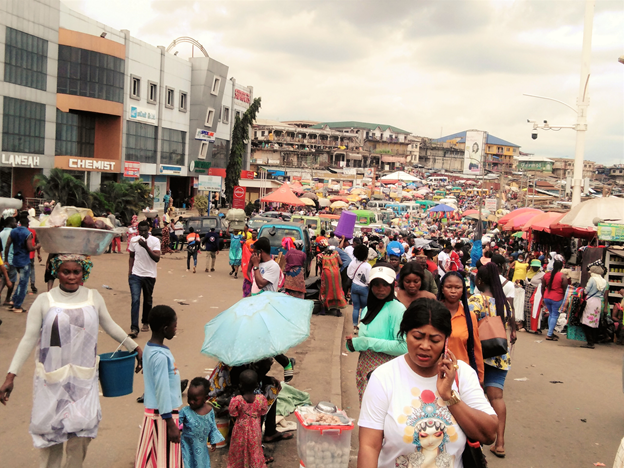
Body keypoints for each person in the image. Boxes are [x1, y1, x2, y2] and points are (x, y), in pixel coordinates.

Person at [0, 254, 142, 468]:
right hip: (51, 381)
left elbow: (110, 325)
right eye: (66, 272)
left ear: (84, 272)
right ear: (57, 272)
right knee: (50, 438)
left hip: (83, 382)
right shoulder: (44, 301)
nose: (72, 277)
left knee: (81, 438)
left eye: (76, 272)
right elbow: (28, 339)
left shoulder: (93, 297)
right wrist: (11, 376)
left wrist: (135, 348)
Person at [358, 298, 497, 467]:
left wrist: (449, 396)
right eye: (417, 336)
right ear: (405, 334)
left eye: (435, 340)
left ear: (446, 340)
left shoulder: (463, 374)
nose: (425, 345)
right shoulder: (383, 377)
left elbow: (489, 433)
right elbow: (369, 447)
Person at [469, 262, 517, 459]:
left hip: (480, 354)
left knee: (475, 396)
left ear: (479, 280)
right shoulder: (504, 302)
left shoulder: (476, 300)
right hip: (499, 355)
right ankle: (500, 443)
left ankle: (476, 437)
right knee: (497, 397)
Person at [345, 263, 407, 403]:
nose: (380, 289)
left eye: (385, 284)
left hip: (387, 375)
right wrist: (354, 343)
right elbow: (365, 339)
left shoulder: (397, 309)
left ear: (393, 285)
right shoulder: (368, 309)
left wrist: (367, 343)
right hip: (366, 373)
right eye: (376, 284)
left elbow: (404, 347)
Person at [136, 305, 182, 468]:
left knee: (152, 459)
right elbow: (162, 390)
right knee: (165, 460)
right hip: (163, 416)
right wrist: (170, 424)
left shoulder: (150, 348)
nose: (176, 329)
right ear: (165, 329)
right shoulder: (160, 357)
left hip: (155, 413)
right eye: (174, 325)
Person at [438, 271, 484, 384]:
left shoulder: (469, 317)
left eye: (457, 287)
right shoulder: (433, 313)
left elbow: (476, 348)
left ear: (463, 290)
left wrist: (480, 378)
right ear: (442, 289)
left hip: (461, 374)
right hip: (435, 372)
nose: (453, 291)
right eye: (449, 287)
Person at [227, 369, 269, 468]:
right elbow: (263, 411)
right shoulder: (261, 399)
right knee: (255, 450)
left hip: (239, 430)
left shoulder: (237, 400)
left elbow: (233, 413)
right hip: (255, 430)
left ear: (240, 385)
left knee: (238, 450)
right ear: (257, 385)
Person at [179, 377, 224, 468]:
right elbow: (176, 423)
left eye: (195, 400)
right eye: (189, 398)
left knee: (201, 464)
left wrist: (213, 441)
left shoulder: (210, 411)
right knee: (187, 464)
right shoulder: (185, 411)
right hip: (186, 447)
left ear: (205, 398)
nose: (191, 402)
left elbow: (212, 426)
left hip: (202, 448)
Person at [128, 220, 161, 337]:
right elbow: (131, 256)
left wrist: (146, 247)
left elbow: (157, 258)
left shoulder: (155, 241)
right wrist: (130, 272)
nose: (142, 233)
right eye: (140, 231)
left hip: (149, 275)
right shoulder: (133, 240)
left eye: (144, 231)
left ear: (149, 230)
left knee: (147, 300)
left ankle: (145, 321)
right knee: (135, 300)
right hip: (136, 275)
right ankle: (134, 328)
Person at [5, 212, 39, 313]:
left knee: (21, 282)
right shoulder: (28, 233)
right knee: (23, 284)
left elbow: (7, 245)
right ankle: (17, 305)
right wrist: (38, 246)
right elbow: (30, 248)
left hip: (15, 260)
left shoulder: (13, 231)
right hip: (24, 260)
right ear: (28, 224)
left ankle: (14, 300)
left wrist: (6, 259)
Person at [581, 262, 608, 349]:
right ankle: (593, 340)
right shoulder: (604, 281)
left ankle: (590, 342)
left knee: (586, 321)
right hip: (598, 302)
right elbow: (603, 293)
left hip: (591, 301)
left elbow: (586, 291)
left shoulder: (592, 279)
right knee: (594, 322)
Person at [542, 257, 568, 341]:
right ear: (561, 267)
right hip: (557, 297)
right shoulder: (562, 276)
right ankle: (549, 334)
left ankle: (550, 332)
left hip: (547, 296)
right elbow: (565, 289)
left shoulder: (546, 274)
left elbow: (542, 287)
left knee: (551, 314)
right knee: (554, 315)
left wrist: (543, 296)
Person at [319, 241, 347, 316]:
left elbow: (320, 267)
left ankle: (323, 310)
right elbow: (341, 263)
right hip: (336, 274)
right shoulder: (335, 253)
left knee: (324, 291)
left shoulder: (320, 255)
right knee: (337, 290)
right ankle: (337, 310)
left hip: (326, 274)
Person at [348, 243, 372, 331]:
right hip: (364, 288)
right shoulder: (368, 266)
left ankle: (354, 327)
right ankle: (361, 326)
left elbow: (349, 274)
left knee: (356, 307)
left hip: (354, 286)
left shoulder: (353, 262)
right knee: (365, 308)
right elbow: (369, 280)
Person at [0, 216, 17, 304]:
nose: (16, 223)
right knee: (12, 280)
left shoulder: (1, 233)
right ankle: (7, 299)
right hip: (10, 259)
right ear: (10, 223)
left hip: (1, 261)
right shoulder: (13, 233)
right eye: (14, 222)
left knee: (3, 278)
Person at [27, 223, 42, 293]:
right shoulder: (33, 231)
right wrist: (38, 254)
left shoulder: (19, 231)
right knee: (32, 269)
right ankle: (32, 283)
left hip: (23, 255)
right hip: (31, 254)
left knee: (24, 271)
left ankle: (24, 285)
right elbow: (37, 243)